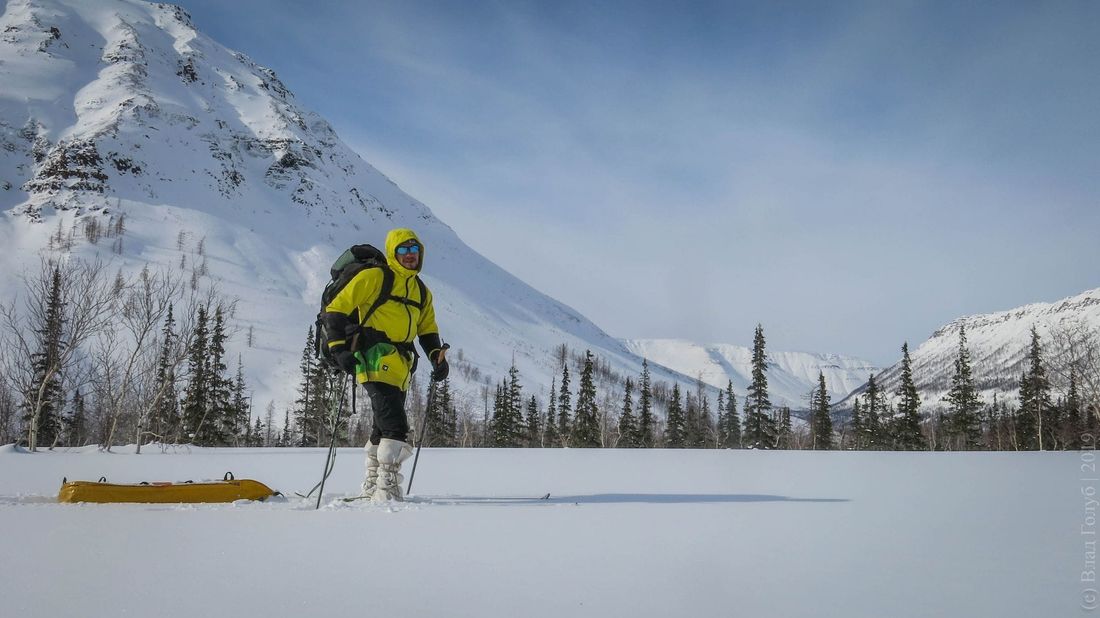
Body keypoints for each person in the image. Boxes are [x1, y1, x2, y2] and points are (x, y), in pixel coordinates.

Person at [321, 228, 449, 502]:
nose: (410, 255)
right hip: (372, 357)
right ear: (393, 251)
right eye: (403, 249)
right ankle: (386, 490)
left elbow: (427, 329)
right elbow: (336, 309)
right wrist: (338, 349)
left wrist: (436, 355)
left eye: (415, 250)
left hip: (401, 364)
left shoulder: (421, 291)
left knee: (382, 426)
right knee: (395, 426)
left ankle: (372, 485)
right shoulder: (375, 277)